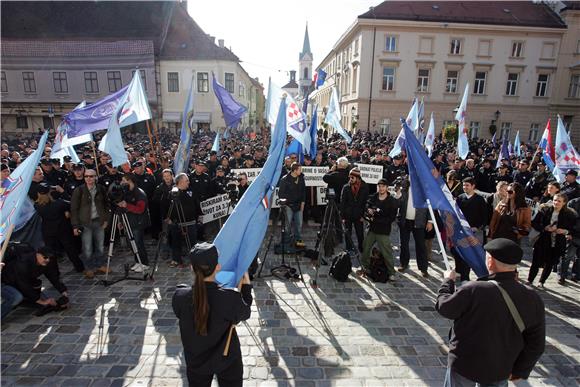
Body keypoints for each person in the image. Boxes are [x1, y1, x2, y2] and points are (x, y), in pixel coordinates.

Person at [436, 238, 545, 386]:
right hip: (500, 368)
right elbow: (536, 343)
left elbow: (445, 307)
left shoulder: (473, 289)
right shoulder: (533, 297)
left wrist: (448, 282)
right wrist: (521, 371)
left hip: (464, 365)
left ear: (490, 262)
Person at [172, 243, 252, 387]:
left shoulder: (179, 296)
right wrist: (246, 286)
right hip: (226, 359)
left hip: (196, 360)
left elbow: (183, 312)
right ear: (218, 267)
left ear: (192, 268)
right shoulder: (228, 298)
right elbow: (245, 312)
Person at [1, 245, 69, 317]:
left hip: (25, 282)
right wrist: (41, 301)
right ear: (37, 254)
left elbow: (53, 277)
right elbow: (24, 285)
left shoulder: (47, 261)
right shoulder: (23, 263)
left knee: (47, 304)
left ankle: (25, 300)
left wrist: (63, 292)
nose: (48, 260)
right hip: (7, 282)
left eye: (50, 257)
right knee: (17, 298)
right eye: (45, 257)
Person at [528, 193, 576, 288]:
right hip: (542, 240)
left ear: (564, 203)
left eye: (559, 201)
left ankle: (542, 282)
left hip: (557, 242)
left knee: (550, 263)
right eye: (555, 200)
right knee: (536, 262)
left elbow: (573, 229)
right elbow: (534, 223)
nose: (556, 202)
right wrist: (544, 228)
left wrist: (564, 231)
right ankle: (530, 280)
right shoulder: (545, 210)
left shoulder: (569, 214)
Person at [34, 183, 84, 273]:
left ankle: (55, 272)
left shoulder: (37, 206)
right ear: (49, 192)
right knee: (70, 250)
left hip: (48, 231)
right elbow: (72, 203)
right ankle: (79, 267)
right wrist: (63, 192)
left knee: (50, 253)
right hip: (63, 229)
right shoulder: (59, 203)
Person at [70, 168, 110, 279]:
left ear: (96, 177)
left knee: (100, 246)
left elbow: (107, 205)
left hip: (99, 221)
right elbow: (74, 209)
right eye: (86, 176)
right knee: (87, 248)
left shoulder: (101, 189)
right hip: (85, 223)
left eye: (91, 176)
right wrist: (75, 225)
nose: (88, 178)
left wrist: (106, 220)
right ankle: (88, 268)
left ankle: (100, 265)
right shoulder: (79, 190)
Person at [358, 178, 399, 278]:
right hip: (372, 229)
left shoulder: (391, 201)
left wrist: (377, 218)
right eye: (379, 186)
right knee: (366, 248)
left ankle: (391, 272)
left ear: (387, 188)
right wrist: (369, 210)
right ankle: (365, 267)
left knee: (386, 252)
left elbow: (391, 218)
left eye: (383, 187)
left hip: (383, 230)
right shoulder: (374, 197)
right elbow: (367, 205)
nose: (381, 188)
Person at [454, 177, 488, 281]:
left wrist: (477, 227)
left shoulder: (480, 200)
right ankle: (459, 272)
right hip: (461, 231)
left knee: (470, 254)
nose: (465, 187)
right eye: (463, 185)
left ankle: (466, 277)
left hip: (473, 232)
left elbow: (484, 216)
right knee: (458, 253)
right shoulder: (460, 198)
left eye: (467, 185)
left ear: (473, 186)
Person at [117, 173, 151, 272]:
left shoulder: (139, 193)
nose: (122, 183)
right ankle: (138, 261)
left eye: (124, 180)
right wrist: (121, 221)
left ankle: (144, 263)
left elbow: (140, 209)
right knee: (132, 244)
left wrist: (126, 205)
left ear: (130, 181)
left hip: (138, 223)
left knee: (138, 243)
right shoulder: (127, 192)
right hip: (129, 222)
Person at [166, 173, 202, 267]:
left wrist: (200, 215)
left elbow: (196, 204)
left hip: (190, 222)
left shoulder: (191, 191)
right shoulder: (172, 193)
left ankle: (194, 260)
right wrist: (167, 218)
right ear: (180, 182)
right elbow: (165, 207)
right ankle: (176, 260)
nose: (188, 182)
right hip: (176, 223)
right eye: (186, 181)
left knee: (193, 243)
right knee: (176, 242)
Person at [398, 180, 431, 277]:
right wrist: (398, 194)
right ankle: (403, 263)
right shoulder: (403, 187)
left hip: (419, 221)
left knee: (421, 245)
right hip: (405, 220)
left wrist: (430, 221)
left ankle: (423, 268)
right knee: (403, 244)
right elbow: (398, 202)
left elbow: (429, 205)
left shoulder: (423, 189)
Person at [340, 168, 369, 253]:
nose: (350, 179)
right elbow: (342, 202)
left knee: (360, 233)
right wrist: (342, 216)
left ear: (358, 178)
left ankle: (361, 248)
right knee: (347, 233)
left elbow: (366, 202)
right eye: (350, 177)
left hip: (359, 215)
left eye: (352, 178)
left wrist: (364, 216)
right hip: (348, 214)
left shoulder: (364, 187)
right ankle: (349, 248)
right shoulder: (346, 187)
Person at [278, 162, 306, 247]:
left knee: (299, 224)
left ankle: (298, 239)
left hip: (298, 205)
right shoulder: (284, 179)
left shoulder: (301, 178)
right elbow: (281, 194)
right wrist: (286, 204)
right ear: (294, 170)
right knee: (287, 224)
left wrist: (303, 203)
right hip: (288, 205)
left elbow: (303, 192)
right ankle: (286, 241)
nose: (301, 171)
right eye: (299, 170)